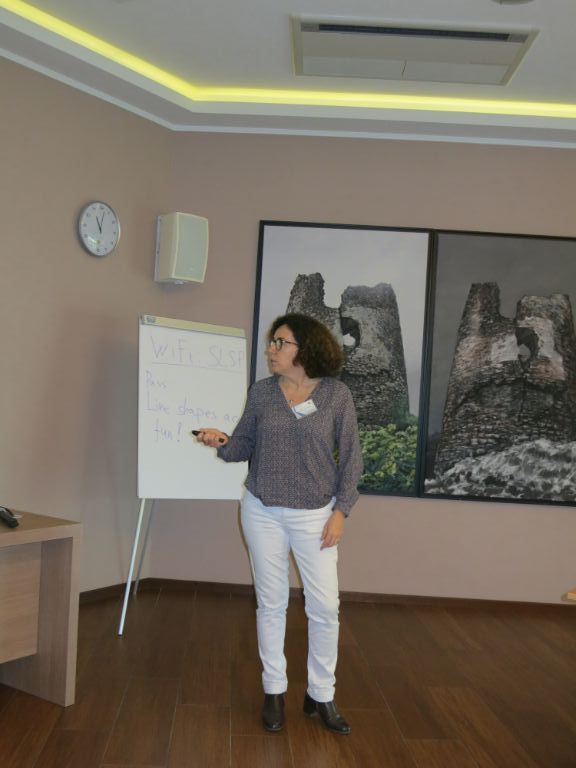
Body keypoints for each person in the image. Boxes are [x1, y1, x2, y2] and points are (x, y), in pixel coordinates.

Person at [195, 313, 363, 735]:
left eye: (280, 343)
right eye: (272, 342)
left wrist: (341, 512)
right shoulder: (262, 392)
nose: (271, 349)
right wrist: (221, 442)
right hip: (262, 511)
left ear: (305, 349)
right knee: (271, 604)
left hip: (316, 516)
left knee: (324, 607)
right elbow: (242, 447)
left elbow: (352, 458)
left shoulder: (336, 395)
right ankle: (274, 690)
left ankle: (321, 693)